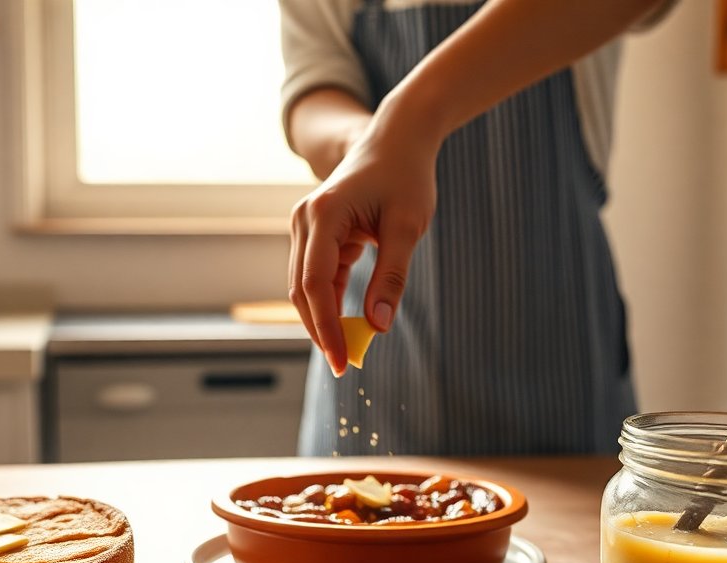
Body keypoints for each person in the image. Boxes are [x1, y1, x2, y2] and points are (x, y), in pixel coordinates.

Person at [279, 0, 673, 457]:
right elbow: (314, 86)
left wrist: (409, 123)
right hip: (386, 369)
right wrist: (369, 146)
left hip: (567, 357)